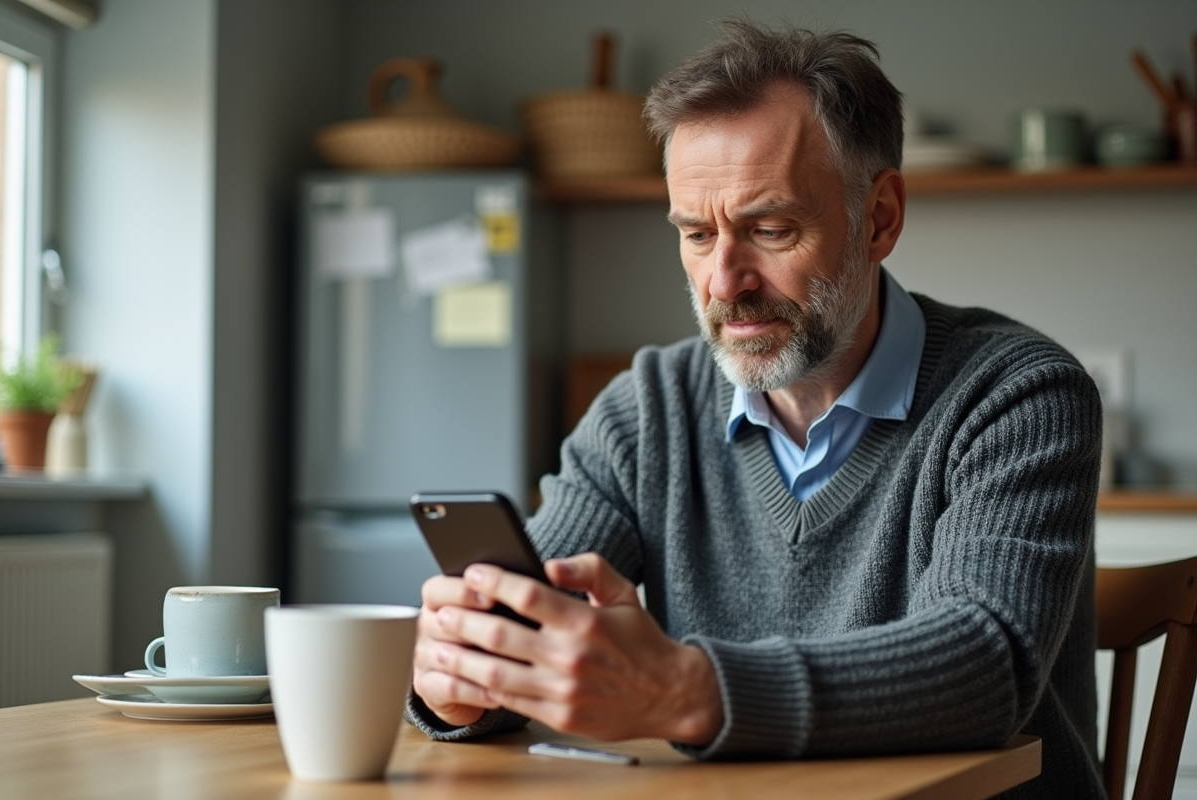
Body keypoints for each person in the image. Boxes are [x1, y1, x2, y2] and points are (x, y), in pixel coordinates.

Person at [406, 18, 1102, 798]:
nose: (724, 280)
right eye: (697, 234)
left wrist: (686, 689)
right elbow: (529, 631)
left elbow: (984, 667)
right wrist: (463, 680)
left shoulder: (1017, 395)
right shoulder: (647, 411)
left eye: (769, 229)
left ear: (880, 219)